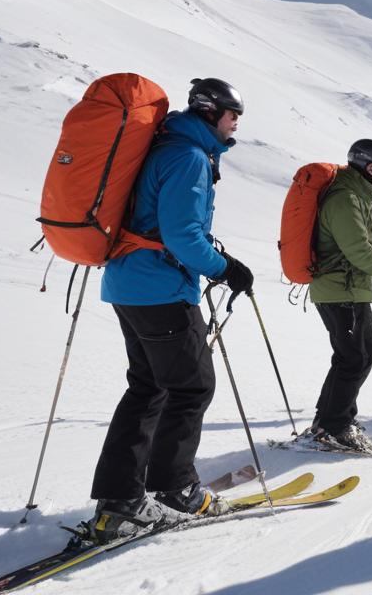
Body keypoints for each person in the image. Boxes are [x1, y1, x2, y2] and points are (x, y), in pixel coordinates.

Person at [88, 77, 254, 541]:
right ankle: (174, 489)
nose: (236, 123)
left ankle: (122, 500)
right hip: (159, 289)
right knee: (192, 386)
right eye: (232, 115)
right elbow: (182, 236)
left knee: (149, 388)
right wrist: (224, 268)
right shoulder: (188, 157)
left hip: (129, 283)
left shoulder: (167, 146)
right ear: (211, 112)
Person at [306, 139, 372, 449]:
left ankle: (332, 418)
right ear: (369, 167)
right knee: (353, 357)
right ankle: (334, 426)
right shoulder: (345, 199)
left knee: (359, 353)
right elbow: (358, 249)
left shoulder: (357, 196)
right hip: (340, 290)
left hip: (350, 289)